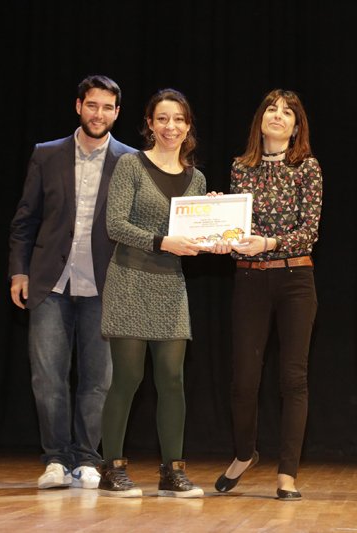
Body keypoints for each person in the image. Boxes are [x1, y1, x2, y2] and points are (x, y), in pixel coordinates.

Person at [8, 75, 135, 490]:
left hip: (106, 285)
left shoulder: (131, 161)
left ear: (117, 112)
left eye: (107, 108)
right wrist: (19, 270)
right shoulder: (47, 155)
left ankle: (87, 460)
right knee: (48, 377)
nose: (99, 114)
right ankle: (56, 459)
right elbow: (25, 220)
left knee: (99, 380)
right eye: (92, 105)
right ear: (79, 106)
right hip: (50, 283)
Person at [212, 89, 323, 501]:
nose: (278, 116)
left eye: (288, 112)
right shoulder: (241, 167)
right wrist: (217, 219)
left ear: (296, 126)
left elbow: (309, 233)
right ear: (260, 120)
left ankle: (287, 474)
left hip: (295, 280)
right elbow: (239, 230)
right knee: (244, 378)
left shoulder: (307, 168)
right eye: (272, 109)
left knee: (293, 378)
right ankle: (244, 455)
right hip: (250, 278)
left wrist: (269, 244)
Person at [98, 88, 206, 498]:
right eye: (162, 118)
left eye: (178, 119)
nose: (170, 126)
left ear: (188, 125)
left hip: (170, 286)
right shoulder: (130, 165)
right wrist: (163, 241)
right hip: (129, 280)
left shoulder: (196, 178)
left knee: (173, 379)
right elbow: (116, 225)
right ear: (149, 123)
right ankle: (112, 468)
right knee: (127, 377)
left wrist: (212, 225)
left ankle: (172, 471)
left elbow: (193, 239)